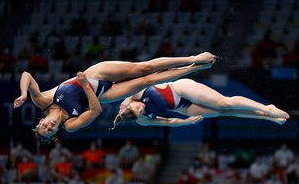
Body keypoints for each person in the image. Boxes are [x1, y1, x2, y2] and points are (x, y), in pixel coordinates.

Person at [13, 52, 216, 144]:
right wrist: (84, 86)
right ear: (55, 130)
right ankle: (197, 68)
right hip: (102, 95)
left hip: (97, 74)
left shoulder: (42, 101)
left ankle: (192, 59)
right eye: (51, 131)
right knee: (147, 81)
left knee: (143, 68)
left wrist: (23, 94)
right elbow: (95, 111)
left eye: (44, 127)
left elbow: (27, 76)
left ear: (41, 120)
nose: (50, 127)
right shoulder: (70, 125)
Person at [114, 78, 290, 128]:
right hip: (182, 107)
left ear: (131, 105)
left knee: (224, 103)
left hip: (180, 89)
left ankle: (267, 108)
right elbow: (168, 122)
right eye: (140, 111)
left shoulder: (131, 96)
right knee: (225, 113)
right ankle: (268, 118)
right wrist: (186, 122)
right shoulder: (142, 120)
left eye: (138, 107)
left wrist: (125, 103)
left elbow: (141, 78)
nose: (141, 107)